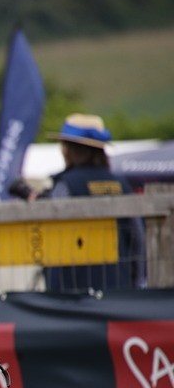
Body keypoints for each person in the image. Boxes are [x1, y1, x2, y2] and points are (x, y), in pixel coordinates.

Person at [37, 114, 145, 293]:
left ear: (69, 150)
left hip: (73, 292)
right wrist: (137, 283)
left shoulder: (66, 185)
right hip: (119, 288)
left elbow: (48, 234)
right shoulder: (122, 185)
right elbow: (137, 238)